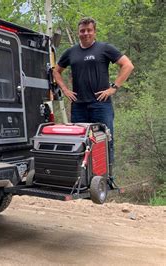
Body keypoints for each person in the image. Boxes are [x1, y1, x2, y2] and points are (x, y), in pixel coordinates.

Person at [53, 17, 134, 176]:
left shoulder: (104, 48)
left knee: (105, 141)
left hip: (101, 105)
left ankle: (106, 178)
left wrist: (113, 88)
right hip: (79, 106)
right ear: (78, 32)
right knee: (80, 142)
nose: (85, 33)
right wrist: (65, 89)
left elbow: (128, 65)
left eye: (89, 30)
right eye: (82, 31)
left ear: (94, 32)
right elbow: (56, 70)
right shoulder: (71, 52)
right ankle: (84, 178)